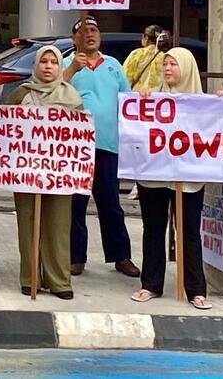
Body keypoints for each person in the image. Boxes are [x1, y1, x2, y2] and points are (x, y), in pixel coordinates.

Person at [132, 47, 221, 310]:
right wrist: (141, 97)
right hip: (154, 175)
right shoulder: (152, 98)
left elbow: (218, 123)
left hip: (189, 177)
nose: (167, 68)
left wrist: (222, 104)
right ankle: (150, 284)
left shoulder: (202, 102)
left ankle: (196, 290)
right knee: (153, 228)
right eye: (165, 64)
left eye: (173, 64)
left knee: (190, 231)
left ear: (188, 68)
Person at [63, 16, 140, 278]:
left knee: (110, 203)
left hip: (107, 144)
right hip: (76, 147)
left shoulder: (113, 65)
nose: (90, 34)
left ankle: (121, 255)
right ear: (74, 38)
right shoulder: (66, 64)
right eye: (84, 31)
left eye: (94, 30)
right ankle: (75, 256)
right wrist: (72, 69)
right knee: (75, 204)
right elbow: (52, 90)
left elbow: (127, 100)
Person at [8, 45, 83, 300]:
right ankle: (30, 278)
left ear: (60, 66)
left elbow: (80, 135)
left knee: (59, 225)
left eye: (53, 62)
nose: (48, 66)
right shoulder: (21, 94)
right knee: (28, 222)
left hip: (60, 173)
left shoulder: (71, 96)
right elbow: (7, 130)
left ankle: (59, 280)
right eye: (44, 61)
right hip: (25, 172)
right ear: (35, 66)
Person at [123, 25, 168, 93]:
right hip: (157, 97)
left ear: (146, 38)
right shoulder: (165, 57)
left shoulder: (136, 54)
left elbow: (125, 79)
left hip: (136, 97)